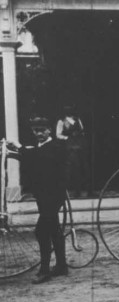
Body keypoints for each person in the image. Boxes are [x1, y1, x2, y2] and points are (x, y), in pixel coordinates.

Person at [7, 116, 68, 284]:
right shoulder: (39, 148)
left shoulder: (55, 146)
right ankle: (62, 265)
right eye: (36, 130)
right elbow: (31, 158)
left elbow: (39, 158)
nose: (39, 133)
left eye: (42, 130)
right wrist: (13, 152)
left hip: (53, 196)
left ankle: (44, 270)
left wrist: (19, 147)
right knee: (54, 229)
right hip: (43, 196)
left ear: (49, 130)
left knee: (41, 231)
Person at [56, 105, 89, 197]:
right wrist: (67, 138)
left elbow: (82, 130)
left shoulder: (77, 119)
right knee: (71, 169)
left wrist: (79, 136)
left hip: (80, 146)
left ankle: (81, 190)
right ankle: (70, 190)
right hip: (69, 147)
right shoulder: (61, 121)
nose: (69, 111)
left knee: (81, 167)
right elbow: (58, 135)